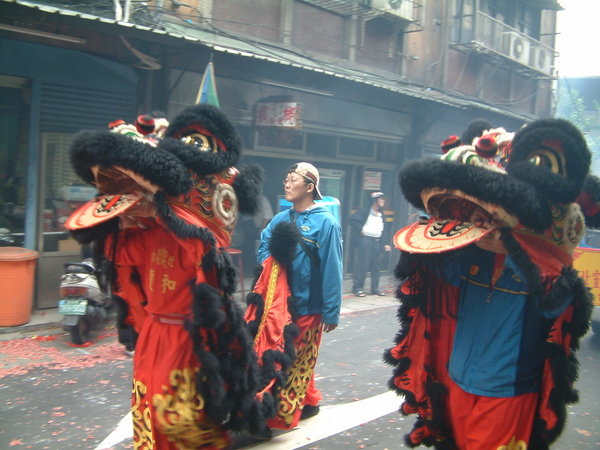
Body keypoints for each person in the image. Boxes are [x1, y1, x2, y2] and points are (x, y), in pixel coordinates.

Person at [256, 162, 343, 430]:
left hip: (309, 306)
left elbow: (333, 268)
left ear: (309, 187)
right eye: (286, 178)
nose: (286, 183)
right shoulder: (281, 219)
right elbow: (263, 250)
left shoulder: (326, 223)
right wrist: (273, 265)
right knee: (289, 354)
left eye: (292, 179)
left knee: (295, 359)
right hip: (280, 305)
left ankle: (282, 414)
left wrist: (331, 311)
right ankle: (311, 400)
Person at [349, 191, 391, 297]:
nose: (383, 201)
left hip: (377, 242)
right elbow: (351, 220)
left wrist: (386, 243)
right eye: (381, 199)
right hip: (366, 241)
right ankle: (358, 288)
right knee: (363, 265)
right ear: (375, 201)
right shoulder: (364, 211)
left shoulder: (381, 214)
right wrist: (360, 229)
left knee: (376, 266)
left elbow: (383, 230)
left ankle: (375, 288)